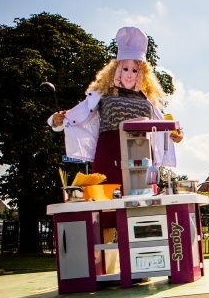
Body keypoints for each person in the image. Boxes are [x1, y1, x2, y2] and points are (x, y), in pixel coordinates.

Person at [48, 26, 183, 239]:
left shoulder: (147, 101)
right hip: (109, 153)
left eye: (135, 70)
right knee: (107, 208)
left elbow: (165, 127)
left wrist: (176, 134)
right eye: (125, 68)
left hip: (141, 156)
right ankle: (107, 256)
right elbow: (74, 115)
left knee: (142, 208)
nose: (129, 74)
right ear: (116, 70)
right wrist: (55, 120)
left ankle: (142, 254)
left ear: (142, 74)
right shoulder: (102, 95)